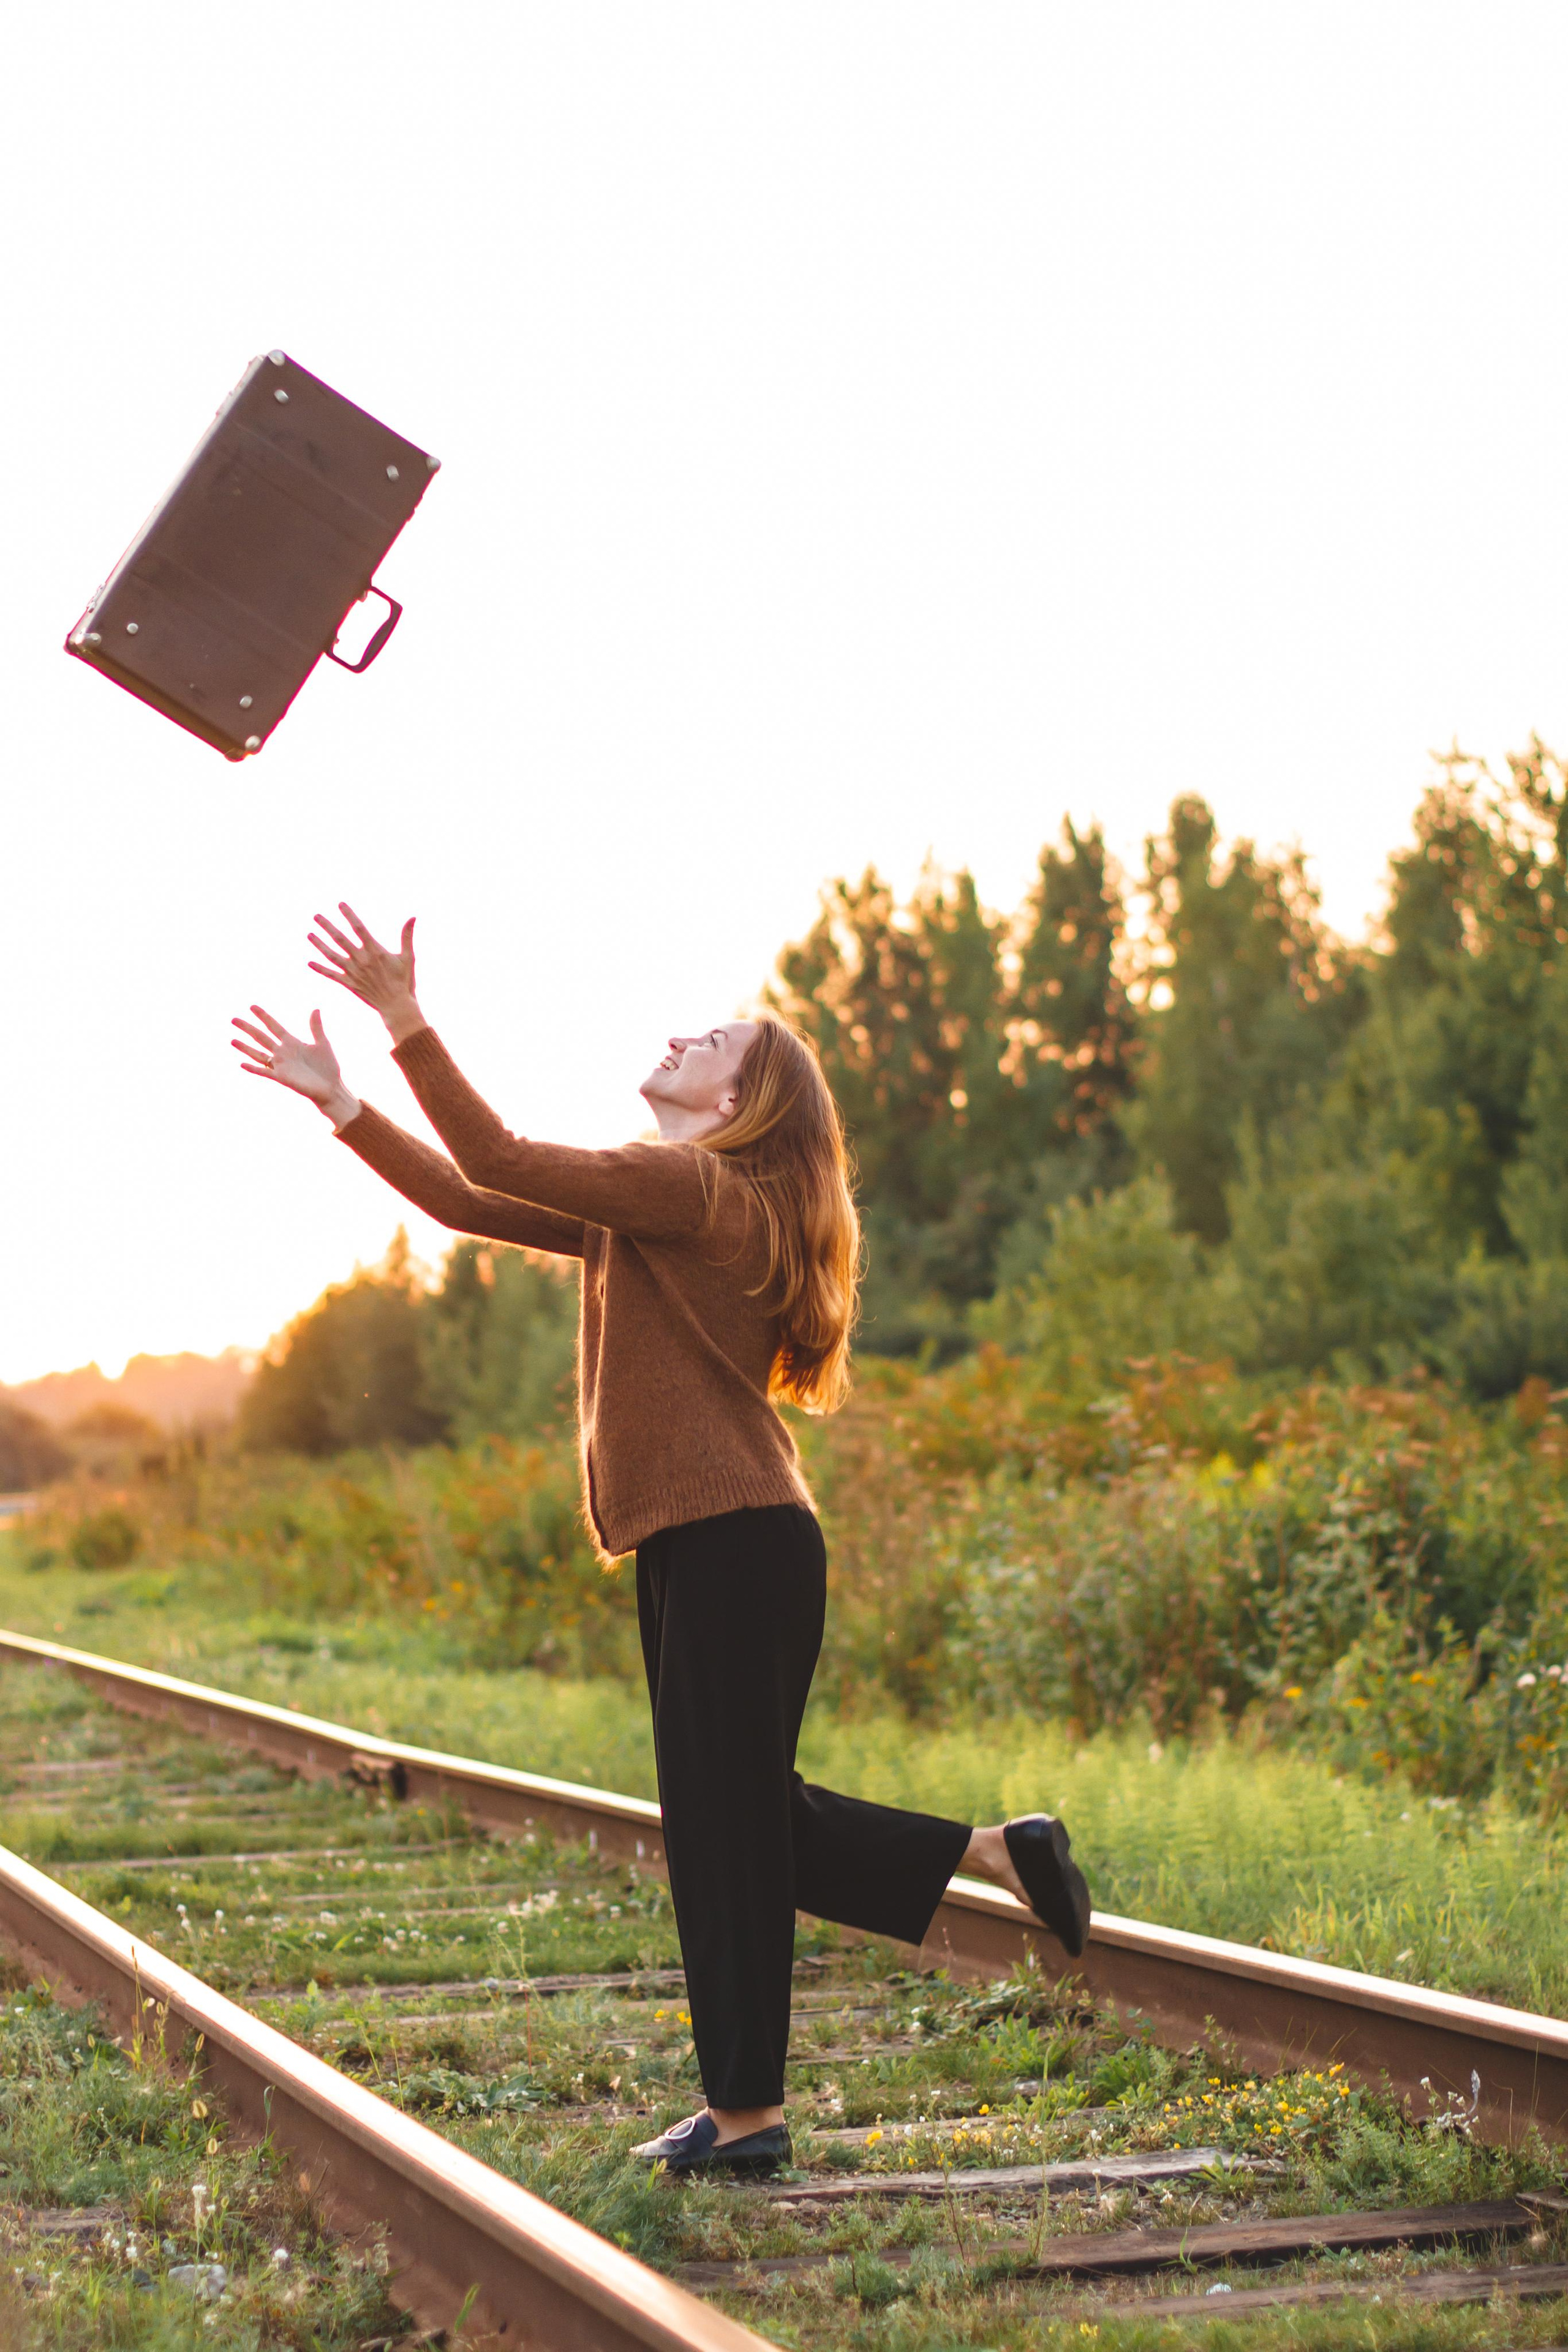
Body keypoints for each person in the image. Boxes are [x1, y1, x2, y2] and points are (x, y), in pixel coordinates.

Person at [232, 903, 1091, 2177]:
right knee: (728, 1820)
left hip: (738, 1542)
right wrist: (345, 1107)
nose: (679, 1037)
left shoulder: (692, 1187)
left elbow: (501, 1150)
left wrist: (407, 1026)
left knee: (723, 1827)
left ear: (745, 1101)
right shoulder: (665, 1207)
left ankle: (749, 2114)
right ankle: (980, 1859)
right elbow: (474, 1197)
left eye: (712, 1039)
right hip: (711, 1544)